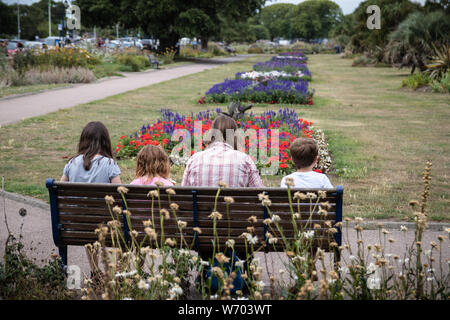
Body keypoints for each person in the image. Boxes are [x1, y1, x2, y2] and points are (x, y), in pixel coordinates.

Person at [182, 115, 264, 188]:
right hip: (233, 205)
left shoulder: (195, 159)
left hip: (201, 205)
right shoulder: (244, 160)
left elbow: (184, 194)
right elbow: (261, 193)